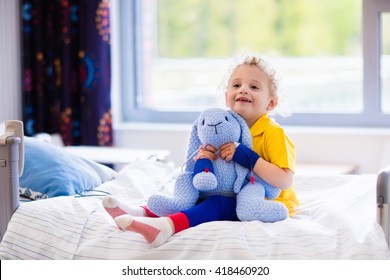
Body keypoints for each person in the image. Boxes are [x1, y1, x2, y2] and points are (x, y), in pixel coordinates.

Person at [103, 54, 298, 247]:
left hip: (260, 202)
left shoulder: (273, 133)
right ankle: (140, 213)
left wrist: (246, 156)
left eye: (254, 87)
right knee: (192, 196)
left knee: (218, 204)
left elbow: (284, 180)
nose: (243, 90)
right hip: (233, 192)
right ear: (226, 97)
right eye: (236, 85)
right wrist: (205, 160)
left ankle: (166, 226)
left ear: (271, 103)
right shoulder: (224, 127)